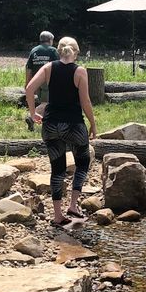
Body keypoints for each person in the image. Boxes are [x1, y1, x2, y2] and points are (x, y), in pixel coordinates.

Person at [26, 37, 97, 226]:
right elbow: (85, 102)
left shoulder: (48, 68)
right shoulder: (80, 71)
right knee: (82, 162)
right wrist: (93, 123)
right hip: (73, 125)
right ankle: (73, 205)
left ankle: (57, 216)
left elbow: (29, 88)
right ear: (77, 52)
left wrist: (33, 113)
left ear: (58, 51)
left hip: (50, 125)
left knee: (57, 169)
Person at [25, 31, 58, 131]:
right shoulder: (53, 51)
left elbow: (28, 68)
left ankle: (48, 123)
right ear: (50, 40)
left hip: (36, 81)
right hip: (47, 81)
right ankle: (31, 117)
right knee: (47, 103)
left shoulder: (34, 50)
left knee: (46, 103)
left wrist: (28, 82)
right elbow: (58, 66)